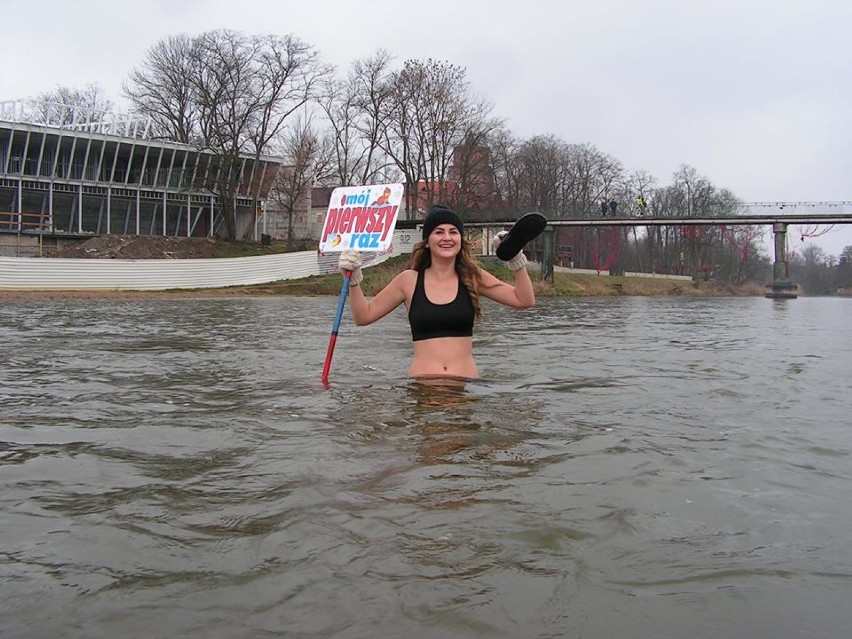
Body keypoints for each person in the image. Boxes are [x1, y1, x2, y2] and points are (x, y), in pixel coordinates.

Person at [337, 204, 536, 382]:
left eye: (453, 232)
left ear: (460, 239)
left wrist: (516, 259)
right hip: (422, 388)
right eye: (439, 232)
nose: (447, 238)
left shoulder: (473, 277)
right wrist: (354, 279)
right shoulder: (408, 281)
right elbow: (363, 316)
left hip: (466, 387)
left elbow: (524, 300)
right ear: (426, 241)